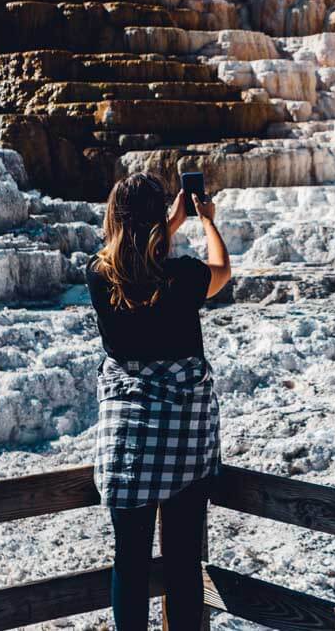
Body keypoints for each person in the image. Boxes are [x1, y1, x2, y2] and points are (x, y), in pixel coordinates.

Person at [85, 172, 231, 631]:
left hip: (127, 441)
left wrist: (167, 223)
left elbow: (131, 259)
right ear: (155, 223)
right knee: (183, 561)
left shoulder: (99, 275)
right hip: (183, 442)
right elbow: (222, 272)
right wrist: (205, 222)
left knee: (129, 560)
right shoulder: (184, 276)